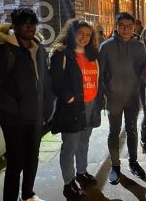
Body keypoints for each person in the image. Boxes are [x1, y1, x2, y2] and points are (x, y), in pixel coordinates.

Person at [0, 7, 53, 201]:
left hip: (36, 115)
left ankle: (28, 194)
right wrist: (13, 106)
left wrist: (48, 107)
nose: (29, 27)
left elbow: (45, 81)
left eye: (32, 22)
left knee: (32, 159)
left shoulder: (39, 49)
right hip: (14, 119)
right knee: (16, 163)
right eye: (24, 23)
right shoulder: (2, 53)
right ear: (15, 26)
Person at [49, 18, 103, 198]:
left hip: (91, 104)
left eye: (88, 34)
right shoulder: (62, 54)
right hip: (73, 107)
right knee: (70, 146)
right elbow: (56, 81)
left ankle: (81, 172)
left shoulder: (92, 54)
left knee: (84, 142)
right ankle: (68, 182)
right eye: (80, 33)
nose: (84, 37)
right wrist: (69, 98)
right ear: (71, 33)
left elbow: (97, 79)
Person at [99, 12, 146, 185]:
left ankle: (133, 162)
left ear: (134, 27)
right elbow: (100, 74)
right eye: (122, 25)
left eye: (129, 26)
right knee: (113, 131)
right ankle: (115, 165)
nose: (126, 29)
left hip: (133, 97)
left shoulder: (139, 47)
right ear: (116, 26)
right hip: (114, 98)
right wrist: (105, 94)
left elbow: (143, 73)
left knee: (132, 129)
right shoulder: (106, 46)